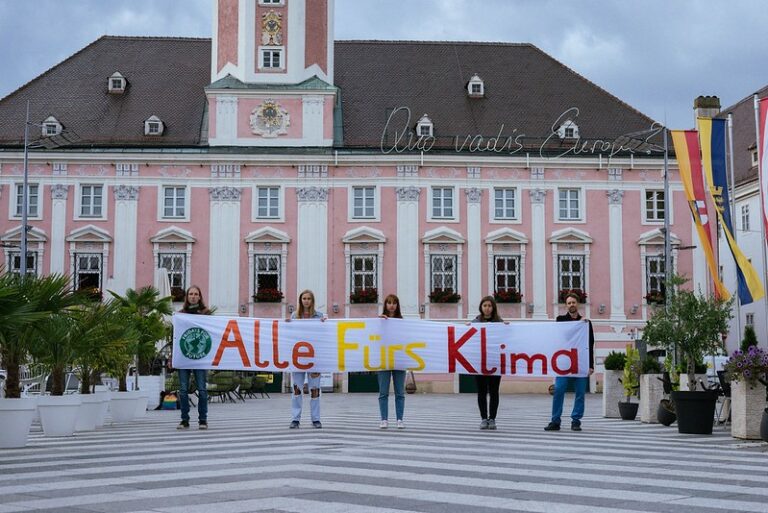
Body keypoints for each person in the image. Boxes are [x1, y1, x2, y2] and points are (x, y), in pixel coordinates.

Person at [544, 292, 595, 432]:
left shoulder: (586, 323)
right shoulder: (560, 320)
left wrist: (590, 365)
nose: (572, 305)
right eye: (569, 303)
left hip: (581, 362)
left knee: (580, 393)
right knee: (559, 389)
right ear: (566, 305)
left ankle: (576, 420)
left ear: (578, 304)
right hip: (564, 362)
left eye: (574, 302)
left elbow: (590, 344)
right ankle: (555, 421)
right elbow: (557, 338)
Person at [286, 289, 326, 429]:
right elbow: (290, 335)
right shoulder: (295, 316)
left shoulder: (319, 316)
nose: (306, 301)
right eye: (304, 298)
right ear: (300, 300)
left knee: (315, 390)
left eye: (309, 298)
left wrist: (325, 324)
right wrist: (286, 325)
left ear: (312, 300)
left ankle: (316, 419)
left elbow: (324, 335)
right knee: (296, 389)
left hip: (314, 359)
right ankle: (295, 419)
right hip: (298, 358)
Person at [176, 285, 211, 430]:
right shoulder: (180, 314)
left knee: (202, 390)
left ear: (200, 296)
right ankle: (184, 420)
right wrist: (174, 357)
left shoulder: (206, 313)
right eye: (191, 294)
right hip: (184, 356)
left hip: (201, 357)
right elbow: (176, 337)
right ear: (187, 296)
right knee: (183, 390)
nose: (193, 296)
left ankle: (203, 420)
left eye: (196, 294)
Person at [471, 296, 505, 430]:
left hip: (495, 362)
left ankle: (493, 419)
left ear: (493, 307)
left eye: (489, 306)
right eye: (484, 305)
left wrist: (507, 327)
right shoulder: (475, 322)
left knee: (494, 391)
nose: (487, 308)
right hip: (479, 362)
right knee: (481, 391)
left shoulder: (499, 322)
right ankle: (484, 418)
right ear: (481, 307)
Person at [377, 294, 406, 429]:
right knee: (383, 392)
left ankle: (400, 419)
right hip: (384, 359)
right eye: (389, 302)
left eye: (394, 303)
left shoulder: (402, 321)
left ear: (397, 305)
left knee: (400, 392)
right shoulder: (380, 320)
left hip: (399, 360)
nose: (391, 305)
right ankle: (384, 419)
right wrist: (378, 321)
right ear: (385, 305)